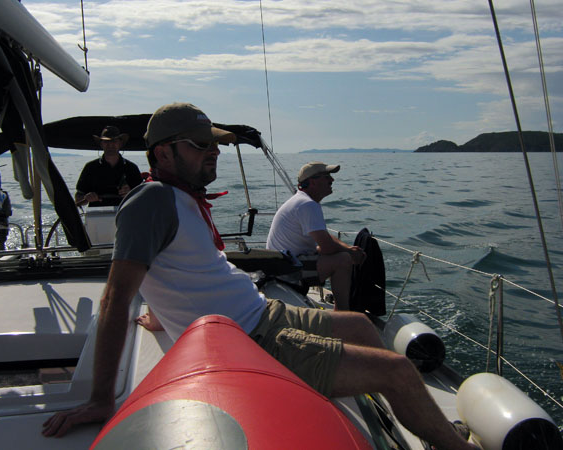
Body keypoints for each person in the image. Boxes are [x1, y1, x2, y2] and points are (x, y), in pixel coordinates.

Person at [42, 103, 477, 450]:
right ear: (163, 153)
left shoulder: (183, 198)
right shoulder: (150, 201)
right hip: (249, 337)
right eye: (200, 144)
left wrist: (161, 312)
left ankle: (400, 412)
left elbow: (175, 269)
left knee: (361, 325)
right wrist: (101, 398)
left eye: (214, 144)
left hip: (260, 311)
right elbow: (116, 297)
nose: (213, 151)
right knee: (398, 370)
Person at [266, 161, 365, 310]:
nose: (332, 180)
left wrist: (348, 248)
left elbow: (324, 237)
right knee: (343, 259)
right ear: (312, 181)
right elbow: (327, 247)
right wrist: (351, 253)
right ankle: (343, 312)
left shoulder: (303, 201)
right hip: (287, 271)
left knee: (340, 252)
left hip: (282, 265)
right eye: (327, 176)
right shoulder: (308, 205)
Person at [74, 126, 143, 207]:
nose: (110, 145)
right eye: (106, 142)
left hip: (125, 213)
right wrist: (86, 198)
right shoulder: (90, 168)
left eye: (114, 141)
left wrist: (131, 193)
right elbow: (78, 198)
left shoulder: (132, 168)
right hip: (96, 214)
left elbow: (142, 198)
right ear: (101, 144)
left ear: (120, 144)